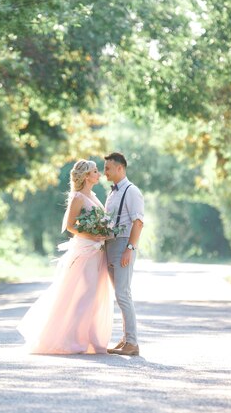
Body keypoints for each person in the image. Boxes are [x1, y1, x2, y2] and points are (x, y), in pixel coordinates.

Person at [17, 159, 113, 354]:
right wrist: (92, 235)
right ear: (87, 176)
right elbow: (70, 226)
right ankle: (72, 338)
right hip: (85, 250)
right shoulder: (78, 197)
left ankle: (90, 339)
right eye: (95, 171)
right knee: (85, 293)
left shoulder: (93, 195)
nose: (99, 174)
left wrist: (103, 232)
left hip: (97, 250)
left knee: (94, 294)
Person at [103, 152, 144, 356]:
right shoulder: (112, 192)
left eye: (108, 168)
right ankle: (125, 338)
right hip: (110, 245)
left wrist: (130, 248)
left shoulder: (131, 191)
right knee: (119, 296)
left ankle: (133, 343)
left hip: (123, 245)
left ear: (120, 168)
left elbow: (138, 222)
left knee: (123, 294)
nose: (105, 172)